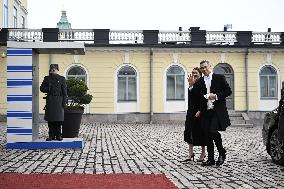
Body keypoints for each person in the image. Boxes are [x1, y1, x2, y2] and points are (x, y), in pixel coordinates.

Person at [195, 60, 232, 166]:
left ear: (210, 66)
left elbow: (228, 91)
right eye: (202, 68)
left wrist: (215, 96)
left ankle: (221, 152)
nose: (204, 69)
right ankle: (211, 159)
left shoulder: (219, 78)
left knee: (213, 131)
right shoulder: (200, 81)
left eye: (205, 67)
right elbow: (197, 96)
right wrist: (191, 86)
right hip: (206, 111)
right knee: (207, 135)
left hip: (217, 111)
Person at [182, 67, 206, 163]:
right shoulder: (192, 84)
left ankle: (203, 153)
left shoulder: (203, 84)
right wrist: (191, 85)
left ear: (200, 75)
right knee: (189, 131)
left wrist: (200, 110)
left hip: (200, 112)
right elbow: (191, 98)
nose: (194, 75)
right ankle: (190, 153)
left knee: (201, 132)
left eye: (196, 73)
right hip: (191, 112)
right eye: (193, 73)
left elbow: (203, 98)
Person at [40, 64, 67, 141]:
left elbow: (65, 92)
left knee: (59, 120)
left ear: (58, 70)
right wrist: (48, 88)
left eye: (55, 68)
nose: (53, 70)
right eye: (52, 68)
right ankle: (51, 136)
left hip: (59, 100)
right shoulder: (47, 78)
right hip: (50, 100)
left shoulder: (62, 79)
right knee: (51, 120)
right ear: (50, 69)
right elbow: (42, 88)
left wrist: (64, 102)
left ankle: (58, 135)